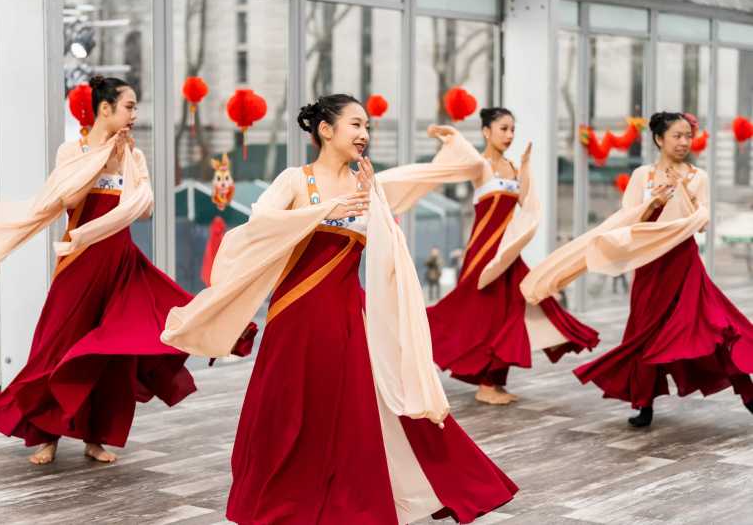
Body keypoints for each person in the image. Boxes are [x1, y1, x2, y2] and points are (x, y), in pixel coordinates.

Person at [160, 94, 517, 524]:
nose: (364, 134)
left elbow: (422, 179)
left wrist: (448, 153)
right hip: (295, 315)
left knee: (354, 409)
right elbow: (259, 227)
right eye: (355, 124)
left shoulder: (369, 186)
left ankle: (353, 499)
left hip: (348, 316)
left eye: (367, 126)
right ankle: (274, 501)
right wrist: (323, 210)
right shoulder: (297, 180)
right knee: (284, 409)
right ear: (325, 130)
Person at [0, 76, 201, 464]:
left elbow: (145, 207)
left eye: (135, 107)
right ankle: (47, 435)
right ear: (104, 109)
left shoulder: (133, 156)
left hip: (120, 263)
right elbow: (70, 199)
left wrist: (123, 156)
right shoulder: (71, 151)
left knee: (111, 351)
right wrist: (100, 155)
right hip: (79, 261)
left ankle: (97, 436)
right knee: (56, 347)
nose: (134, 115)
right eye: (129, 107)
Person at [522, 111, 753, 427]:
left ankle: (749, 395)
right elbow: (627, 222)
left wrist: (680, 191)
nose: (684, 142)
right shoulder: (642, 176)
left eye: (688, 136)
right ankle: (643, 403)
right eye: (677, 135)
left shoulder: (698, 177)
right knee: (643, 334)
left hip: (685, 266)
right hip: (648, 266)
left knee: (714, 326)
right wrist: (654, 203)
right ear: (660, 139)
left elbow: (702, 222)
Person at [379, 108, 599, 406]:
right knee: (474, 316)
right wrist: (453, 137)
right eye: (503, 129)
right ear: (486, 131)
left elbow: (527, 207)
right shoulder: (480, 167)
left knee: (512, 313)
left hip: (506, 256)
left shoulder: (512, 167)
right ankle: (428, 353)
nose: (509, 136)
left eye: (512, 130)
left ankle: (493, 382)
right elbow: (460, 161)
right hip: (482, 256)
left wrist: (526, 170)